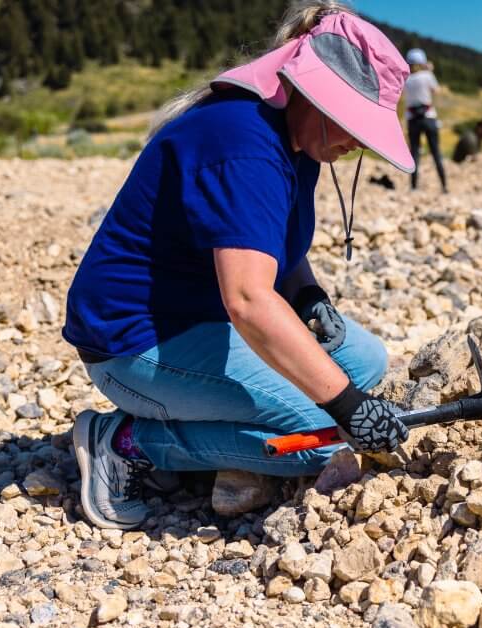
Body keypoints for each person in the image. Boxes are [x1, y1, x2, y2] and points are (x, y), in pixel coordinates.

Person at [62, 1, 415, 530]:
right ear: (313, 93)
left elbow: (272, 248)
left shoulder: (296, 138)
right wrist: (348, 408)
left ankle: (207, 436)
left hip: (197, 321)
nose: (357, 143)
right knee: (319, 439)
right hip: (133, 343)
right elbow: (248, 300)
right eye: (352, 124)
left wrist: (307, 296)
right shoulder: (244, 143)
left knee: (363, 359)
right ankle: (125, 443)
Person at [402, 48, 447, 192]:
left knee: (414, 153)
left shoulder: (406, 79)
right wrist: (430, 71)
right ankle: (444, 186)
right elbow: (436, 91)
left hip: (412, 118)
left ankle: (413, 187)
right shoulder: (427, 75)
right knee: (436, 152)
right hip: (428, 116)